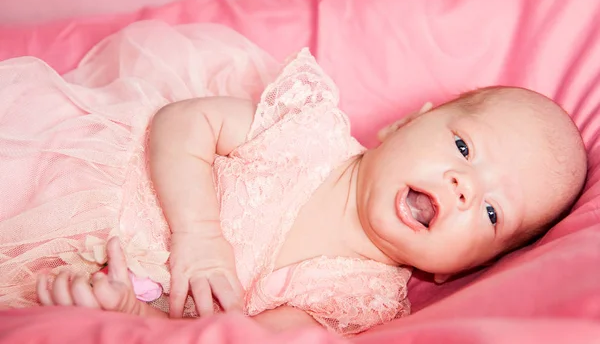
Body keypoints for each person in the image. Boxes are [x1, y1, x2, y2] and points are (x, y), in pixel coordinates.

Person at [0, 22, 587, 336]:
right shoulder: (306, 130)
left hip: (85, 271)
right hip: (79, 176)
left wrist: (131, 310)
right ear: (406, 122)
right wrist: (199, 235)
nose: (465, 186)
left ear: (456, 269)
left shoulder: (357, 300)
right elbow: (184, 122)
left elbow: (231, 334)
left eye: (491, 212)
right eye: (463, 147)